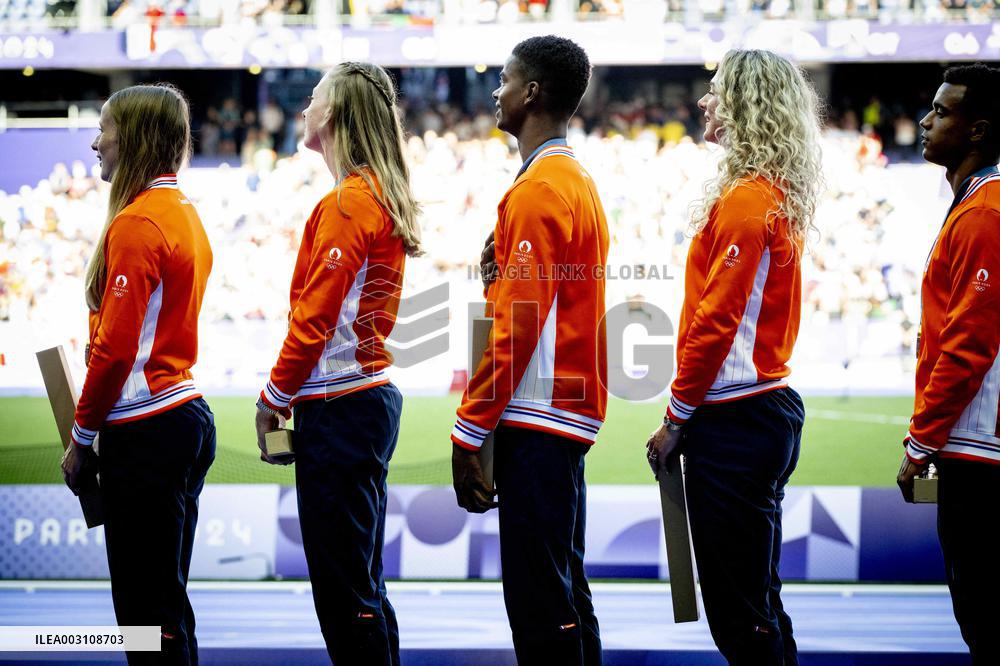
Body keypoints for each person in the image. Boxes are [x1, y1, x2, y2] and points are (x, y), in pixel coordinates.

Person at [646, 49, 823, 665]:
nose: (703, 102)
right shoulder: (763, 192)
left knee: (740, 613)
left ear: (747, 105)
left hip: (737, 416)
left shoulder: (750, 198)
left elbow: (716, 321)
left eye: (716, 92)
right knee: (757, 603)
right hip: (754, 412)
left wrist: (675, 418)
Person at [254, 62, 421, 666]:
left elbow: (314, 319)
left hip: (341, 403)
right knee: (360, 588)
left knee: (346, 595)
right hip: (358, 399)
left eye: (314, 98)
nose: (303, 108)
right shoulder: (373, 192)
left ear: (337, 115)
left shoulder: (351, 200)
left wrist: (272, 400)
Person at [451, 36, 609, 665]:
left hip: (540, 416)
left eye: (506, 79)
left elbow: (518, 324)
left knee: (541, 608)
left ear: (532, 93)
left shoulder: (542, 186)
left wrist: (468, 432)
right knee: (565, 597)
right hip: (561, 412)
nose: (497, 90)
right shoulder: (571, 180)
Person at [60, 84, 215, 665]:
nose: (95, 141)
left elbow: (116, 350)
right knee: (166, 603)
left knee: (145, 615)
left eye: (104, 128)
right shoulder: (184, 215)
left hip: (147, 427)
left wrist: (79, 439)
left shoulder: (137, 223)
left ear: (137, 138)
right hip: (180, 415)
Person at [896, 63, 1000, 666]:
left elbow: (968, 344)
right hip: (973, 442)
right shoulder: (973, 203)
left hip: (979, 446)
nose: (927, 120)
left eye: (943, 110)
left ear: (979, 130)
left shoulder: (986, 211)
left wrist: (921, 443)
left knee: (981, 612)